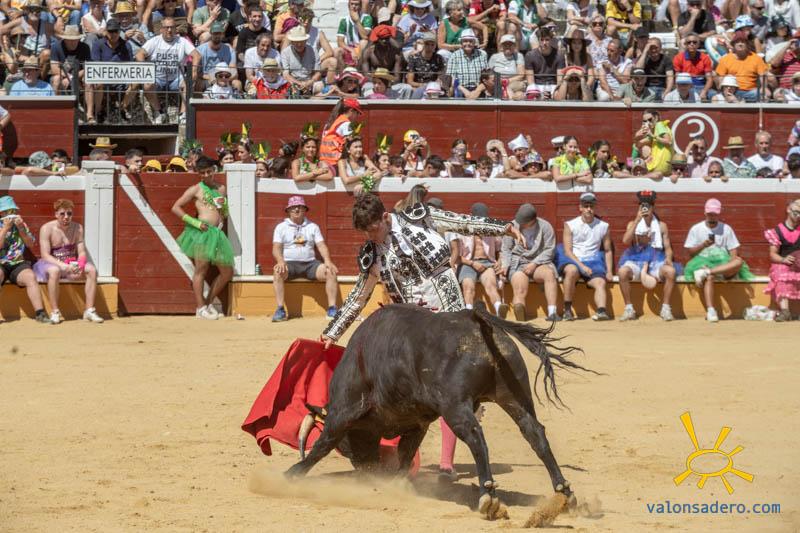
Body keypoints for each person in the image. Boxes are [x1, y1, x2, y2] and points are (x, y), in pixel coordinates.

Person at [320, 191, 524, 480]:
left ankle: (446, 463)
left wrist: (504, 227)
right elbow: (358, 296)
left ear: (385, 217)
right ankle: (412, 461)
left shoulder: (419, 218)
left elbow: (463, 222)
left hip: (450, 317)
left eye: (374, 229)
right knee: (418, 392)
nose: (371, 236)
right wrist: (333, 331)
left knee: (453, 390)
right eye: (365, 232)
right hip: (415, 332)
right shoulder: (372, 254)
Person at [170, 156, 234, 320]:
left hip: (217, 233)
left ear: (214, 170)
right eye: (202, 173)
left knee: (227, 272)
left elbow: (223, 213)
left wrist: (224, 208)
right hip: (202, 232)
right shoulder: (196, 189)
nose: (206, 175)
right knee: (201, 270)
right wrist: (195, 223)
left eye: (208, 171)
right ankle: (200, 308)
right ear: (198, 173)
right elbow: (176, 207)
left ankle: (208, 303)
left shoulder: (221, 188)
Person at [32, 199, 104, 324]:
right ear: (56, 214)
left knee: (91, 270)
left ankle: (89, 310)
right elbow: (45, 255)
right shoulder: (47, 228)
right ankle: (55, 312)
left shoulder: (78, 228)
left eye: (69, 213)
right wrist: (63, 266)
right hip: (50, 263)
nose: (66, 217)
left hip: (70, 262)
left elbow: (81, 251)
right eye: (62, 214)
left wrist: (80, 265)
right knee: (54, 271)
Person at [683, 198, 754, 322]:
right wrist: (703, 245)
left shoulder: (726, 229)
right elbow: (690, 253)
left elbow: (733, 253)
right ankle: (711, 310)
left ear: (719, 213)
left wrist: (728, 266)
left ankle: (707, 272)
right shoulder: (696, 229)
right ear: (705, 213)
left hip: (721, 265)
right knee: (709, 278)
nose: (712, 217)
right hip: (701, 262)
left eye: (714, 214)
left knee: (738, 261)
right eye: (710, 214)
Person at [271, 196, 339, 321]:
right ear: (288, 210)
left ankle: (332, 309)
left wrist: (327, 261)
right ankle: (280, 309)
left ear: (305, 210)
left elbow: (321, 245)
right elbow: (276, 248)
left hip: (310, 264)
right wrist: (280, 261)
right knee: (277, 271)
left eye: (300, 207)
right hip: (289, 265)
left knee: (330, 271)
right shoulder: (281, 227)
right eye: (293, 207)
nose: (297, 209)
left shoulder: (313, 226)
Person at [617, 191, 677, 322]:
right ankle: (629, 308)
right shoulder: (632, 223)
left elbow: (668, 248)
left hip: (656, 260)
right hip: (636, 260)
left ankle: (666, 308)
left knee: (671, 272)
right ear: (639, 207)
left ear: (653, 207)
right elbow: (625, 241)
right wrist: (637, 220)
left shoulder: (661, 226)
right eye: (643, 205)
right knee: (622, 272)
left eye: (648, 205)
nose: (646, 208)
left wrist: (668, 258)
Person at [556, 192, 613, 321]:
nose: (589, 209)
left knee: (600, 282)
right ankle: (567, 310)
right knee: (571, 271)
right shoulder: (570, 225)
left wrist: (609, 271)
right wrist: (582, 266)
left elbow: (608, 250)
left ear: (595, 207)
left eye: (591, 206)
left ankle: (601, 311)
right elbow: (568, 251)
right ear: (580, 207)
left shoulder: (603, 226)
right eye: (586, 206)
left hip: (593, 261)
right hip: (574, 260)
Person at [499, 203, 559, 321]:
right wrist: (505, 265)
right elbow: (506, 249)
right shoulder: (512, 226)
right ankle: (520, 312)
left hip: (539, 262)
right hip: (518, 262)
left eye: (523, 221)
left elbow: (549, 249)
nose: (520, 223)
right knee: (520, 287)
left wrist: (535, 263)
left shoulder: (545, 227)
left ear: (532, 220)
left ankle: (552, 313)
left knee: (549, 274)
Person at [137, 17, 201, 124]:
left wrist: (193, 71)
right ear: (161, 29)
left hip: (176, 78)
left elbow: (197, 55)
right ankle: (159, 112)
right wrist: (146, 70)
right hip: (157, 78)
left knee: (189, 82)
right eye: (166, 27)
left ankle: (182, 114)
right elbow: (139, 54)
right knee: (147, 85)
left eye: (172, 27)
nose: (169, 30)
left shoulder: (182, 41)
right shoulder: (155, 40)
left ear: (176, 29)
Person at [448, 202, 508, 317]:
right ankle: (469, 313)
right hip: (467, 263)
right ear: (471, 216)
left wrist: (500, 261)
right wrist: (472, 263)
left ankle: (499, 309)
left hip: (487, 263)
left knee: (491, 285)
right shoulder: (461, 230)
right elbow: (456, 256)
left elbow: (500, 249)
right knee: (468, 286)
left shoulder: (491, 229)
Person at [0, 196, 50, 323]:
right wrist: (5, 229)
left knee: (30, 277)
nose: (11, 214)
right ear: (2, 213)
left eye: (13, 211)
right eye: (8, 211)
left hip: (18, 263)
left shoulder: (21, 225)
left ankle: (40, 313)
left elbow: (30, 244)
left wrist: (21, 228)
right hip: (1, 263)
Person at [764, 198, 800, 322]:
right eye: (796, 212)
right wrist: (783, 259)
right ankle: (785, 311)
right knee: (780, 272)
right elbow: (772, 254)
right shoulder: (777, 231)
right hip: (783, 263)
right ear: (788, 210)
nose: (798, 216)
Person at [715, 31, 772, 102]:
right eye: (737, 42)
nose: (740, 44)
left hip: (751, 92)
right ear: (733, 45)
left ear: (747, 44)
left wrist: (764, 88)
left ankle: (738, 102)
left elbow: (762, 75)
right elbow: (720, 78)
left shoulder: (756, 58)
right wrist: (723, 91)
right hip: (732, 91)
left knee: (765, 95)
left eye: (743, 42)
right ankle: (734, 101)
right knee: (720, 94)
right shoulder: (725, 59)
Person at [319, 98, 363, 166]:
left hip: (323, 162)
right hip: (336, 163)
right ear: (351, 111)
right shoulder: (346, 124)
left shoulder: (330, 122)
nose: (357, 116)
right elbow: (352, 145)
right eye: (357, 113)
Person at [446, 29, 488, 97]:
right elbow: (451, 79)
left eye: (471, 41)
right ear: (461, 43)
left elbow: (486, 77)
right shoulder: (454, 56)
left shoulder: (482, 55)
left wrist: (477, 91)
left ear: (474, 42)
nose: (468, 43)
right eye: (465, 41)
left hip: (478, 89)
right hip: (460, 89)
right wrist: (466, 92)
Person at [673, 32, 714, 100]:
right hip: (685, 87)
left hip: (701, 87)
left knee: (715, 97)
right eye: (689, 42)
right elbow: (677, 78)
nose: (691, 44)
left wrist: (704, 91)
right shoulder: (678, 58)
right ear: (685, 45)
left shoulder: (705, 58)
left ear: (698, 44)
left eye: (694, 42)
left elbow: (709, 79)